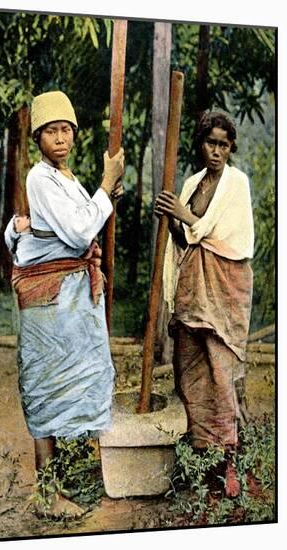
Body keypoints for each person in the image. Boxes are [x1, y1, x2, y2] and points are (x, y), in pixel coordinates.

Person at [4, 90, 124, 517]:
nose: (60, 138)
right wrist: (106, 188)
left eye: (66, 130)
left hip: (72, 299)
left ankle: (74, 475)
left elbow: (80, 225)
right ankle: (46, 495)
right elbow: (77, 233)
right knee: (47, 389)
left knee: (84, 379)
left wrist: (102, 198)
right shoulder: (40, 179)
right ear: (38, 138)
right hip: (51, 301)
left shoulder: (66, 179)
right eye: (51, 131)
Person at [154, 111, 254, 497]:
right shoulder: (194, 182)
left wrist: (183, 215)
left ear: (231, 148)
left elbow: (226, 238)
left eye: (224, 145)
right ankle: (200, 456)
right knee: (188, 369)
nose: (216, 151)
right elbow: (186, 238)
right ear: (201, 143)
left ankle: (227, 461)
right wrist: (173, 218)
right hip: (193, 289)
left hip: (223, 289)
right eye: (211, 143)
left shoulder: (237, 184)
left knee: (219, 370)